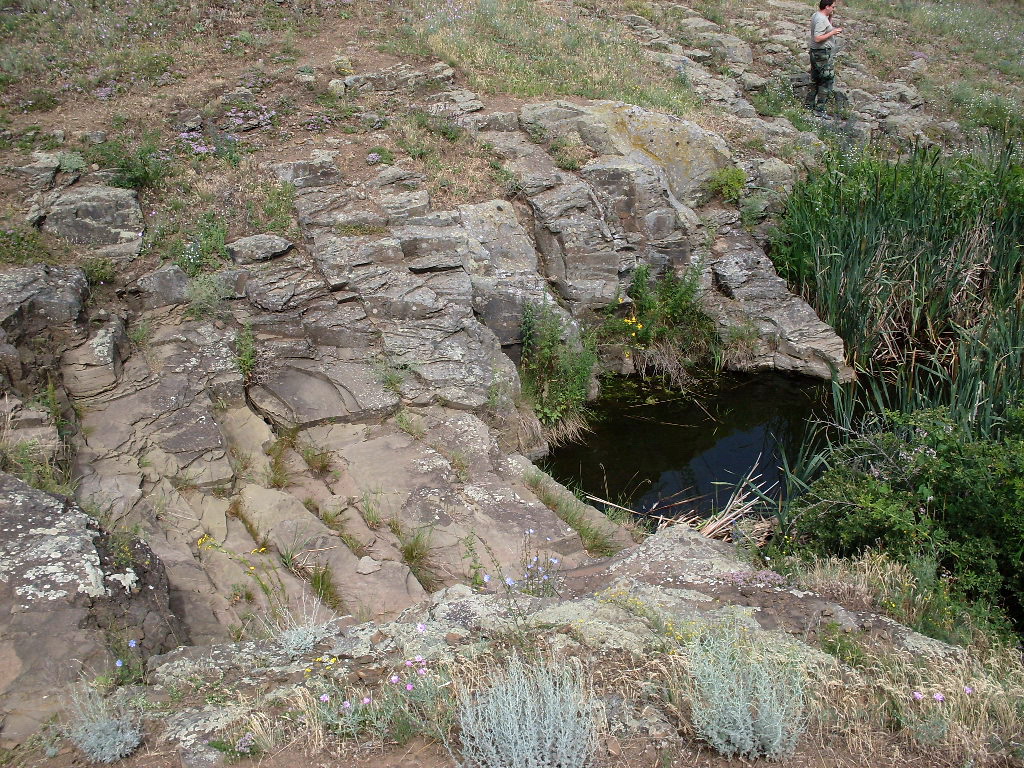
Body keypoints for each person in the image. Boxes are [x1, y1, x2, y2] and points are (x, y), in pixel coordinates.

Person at [807, 0, 843, 112]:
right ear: (827, 6)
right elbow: (817, 38)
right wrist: (833, 33)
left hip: (816, 52)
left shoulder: (817, 15)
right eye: (833, 7)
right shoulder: (820, 19)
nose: (834, 9)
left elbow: (826, 28)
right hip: (822, 53)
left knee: (815, 79)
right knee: (826, 80)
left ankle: (808, 105)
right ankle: (819, 109)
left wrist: (830, 18)